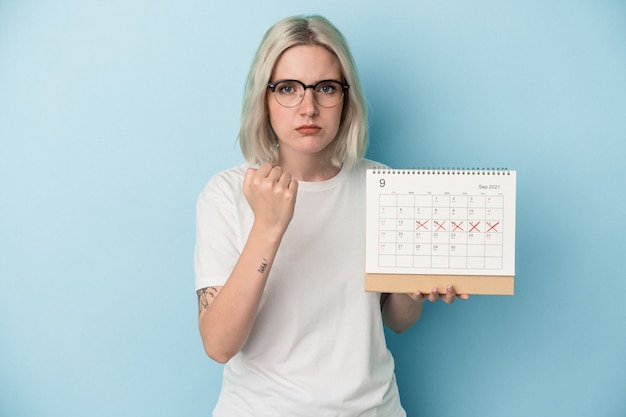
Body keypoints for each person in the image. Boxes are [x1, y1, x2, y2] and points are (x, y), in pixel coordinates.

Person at [194, 15, 468, 416]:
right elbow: (218, 345)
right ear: (264, 99)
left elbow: (398, 321)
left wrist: (414, 288)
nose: (308, 107)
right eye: (288, 88)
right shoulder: (226, 194)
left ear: (346, 98)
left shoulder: (385, 186)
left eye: (325, 88)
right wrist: (268, 227)